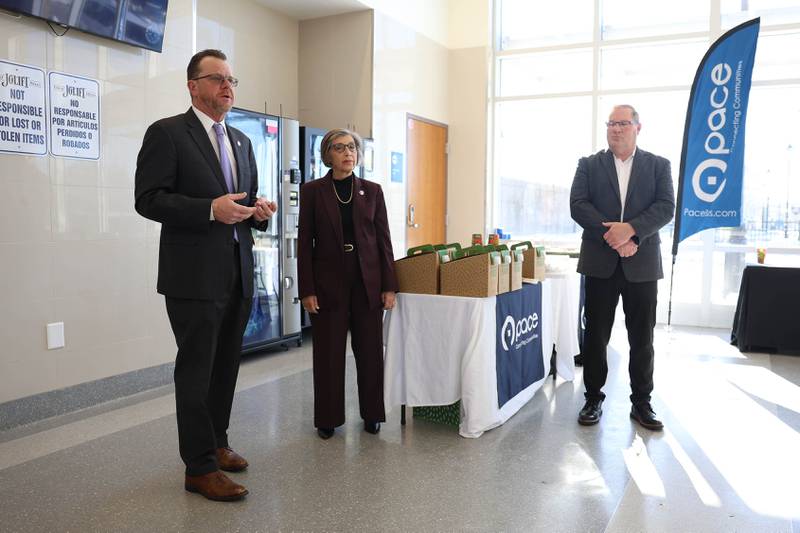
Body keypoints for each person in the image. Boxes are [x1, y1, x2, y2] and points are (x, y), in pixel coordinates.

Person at [134, 49, 277, 501]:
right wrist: (208, 210)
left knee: (226, 365)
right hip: (192, 276)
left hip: (237, 269)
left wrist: (258, 214)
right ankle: (198, 467)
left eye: (232, 79)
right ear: (193, 86)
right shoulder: (168, 134)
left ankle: (216, 442)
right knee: (196, 369)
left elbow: (242, 201)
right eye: (217, 79)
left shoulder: (241, 141)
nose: (227, 87)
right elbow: (149, 199)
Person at [569, 105, 675, 431]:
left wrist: (631, 230)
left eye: (623, 123)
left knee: (642, 339)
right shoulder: (588, 164)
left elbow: (666, 207)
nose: (616, 129)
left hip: (641, 264)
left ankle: (642, 403)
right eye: (612, 123)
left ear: (637, 128)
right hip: (600, 264)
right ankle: (592, 398)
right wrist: (612, 235)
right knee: (596, 337)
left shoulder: (658, 166)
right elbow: (578, 205)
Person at [297, 128, 398, 440]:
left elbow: (384, 241)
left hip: (367, 280)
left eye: (352, 147)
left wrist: (389, 285)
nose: (348, 153)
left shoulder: (372, 190)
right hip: (327, 283)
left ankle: (372, 414)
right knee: (328, 353)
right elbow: (305, 243)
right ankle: (327, 417)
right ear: (328, 155)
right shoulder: (313, 191)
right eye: (339, 148)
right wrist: (307, 289)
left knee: (370, 351)